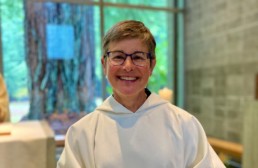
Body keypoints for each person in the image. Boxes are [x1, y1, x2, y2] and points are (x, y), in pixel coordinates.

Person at [57, 20, 225, 168]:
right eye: (118, 57)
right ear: (104, 64)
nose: (128, 66)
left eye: (138, 57)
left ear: (151, 65)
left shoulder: (184, 125)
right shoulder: (82, 133)